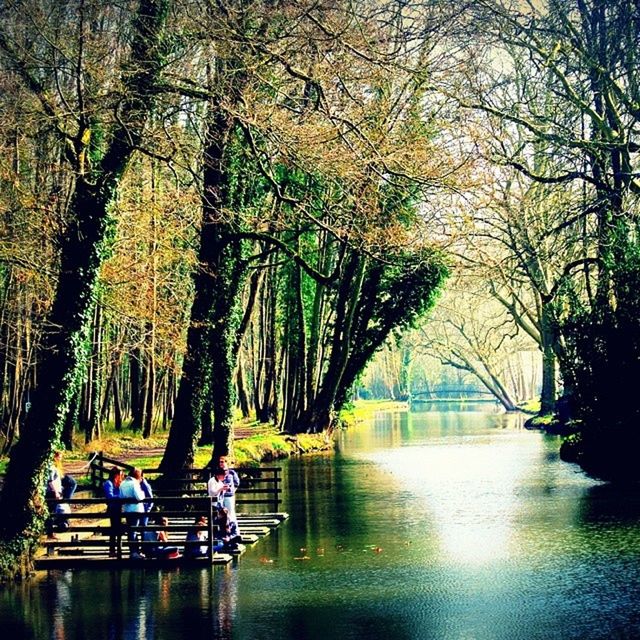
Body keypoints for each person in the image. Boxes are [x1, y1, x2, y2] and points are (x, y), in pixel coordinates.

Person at [45, 450, 76, 538]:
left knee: (52, 512)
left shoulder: (54, 467)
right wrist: (55, 492)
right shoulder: (51, 467)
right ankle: (50, 533)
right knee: (51, 512)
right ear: (55, 457)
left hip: (55, 492)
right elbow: (50, 481)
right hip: (51, 493)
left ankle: (51, 532)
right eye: (59, 457)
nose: (60, 459)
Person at [119, 468, 146, 559]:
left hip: (127, 510)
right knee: (134, 531)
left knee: (131, 530)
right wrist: (143, 493)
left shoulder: (123, 483)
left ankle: (133, 551)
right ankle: (135, 552)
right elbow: (139, 497)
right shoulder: (134, 483)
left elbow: (121, 497)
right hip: (136, 509)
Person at [103, 467, 124, 557]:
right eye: (120, 475)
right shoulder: (108, 483)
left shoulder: (118, 484)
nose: (121, 477)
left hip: (119, 508)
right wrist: (121, 496)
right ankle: (112, 550)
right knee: (114, 529)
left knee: (118, 529)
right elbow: (110, 496)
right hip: (113, 508)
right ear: (116, 475)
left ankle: (118, 549)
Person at [216, 455, 240, 524]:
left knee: (231, 513)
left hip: (229, 496)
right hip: (220, 496)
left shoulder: (232, 472)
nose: (220, 463)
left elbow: (237, 483)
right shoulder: (217, 473)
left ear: (226, 462)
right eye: (220, 462)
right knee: (220, 514)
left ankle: (234, 531)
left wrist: (233, 490)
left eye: (222, 462)